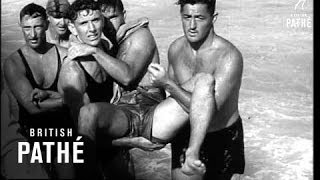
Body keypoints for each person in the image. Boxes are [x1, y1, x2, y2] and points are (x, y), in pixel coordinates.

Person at [147, 0, 245, 179]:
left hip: (221, 137)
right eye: (187, 17)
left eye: (199, 18)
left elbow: (211, 113)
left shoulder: (229, 57)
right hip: (187, 132)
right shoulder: (176, 49)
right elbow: (174, 102)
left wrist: (167, 83)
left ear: (213, 18)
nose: (192, 25)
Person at [2, 3, 74, 179]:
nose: (32, 34)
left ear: (47, 26)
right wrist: (66, 101)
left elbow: (81, 94)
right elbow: (32, 107)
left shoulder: (65, 55)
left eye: (37, 27)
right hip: (30, 134)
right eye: (27, 28)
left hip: (62, 132)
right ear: (20, 26)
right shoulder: (14, 62)